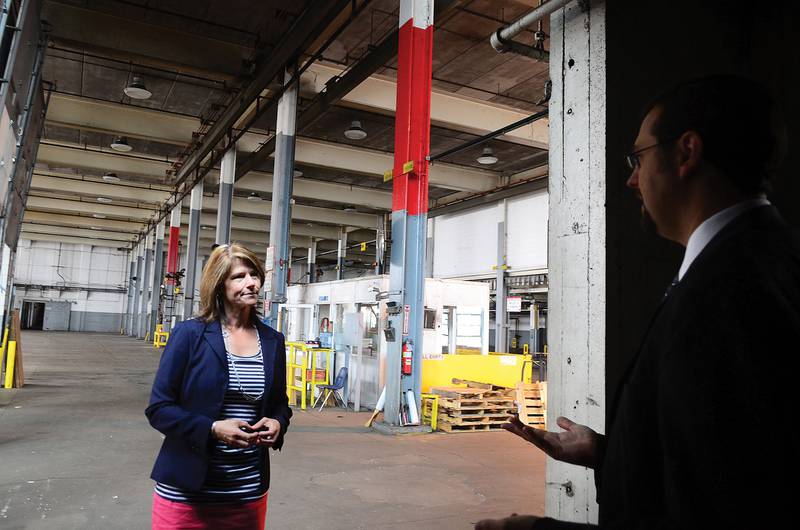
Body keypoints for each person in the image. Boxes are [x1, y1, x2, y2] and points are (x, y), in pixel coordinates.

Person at [477, 75, 800, 529]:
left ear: (687, 152)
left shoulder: (728, 294)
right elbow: (718, 459)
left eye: (639, 157)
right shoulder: (761, 258)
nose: (631, 179)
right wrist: (613, 452)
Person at [146, 243, 292, 529]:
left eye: (254, 274)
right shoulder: (190, 335)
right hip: (187, 493)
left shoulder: (273, 340)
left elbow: (280, 403)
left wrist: (277, 422)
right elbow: (159, 409)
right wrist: (212, 428)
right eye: (239, 276)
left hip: (246, 491)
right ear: (218, 285)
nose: (251, 283)